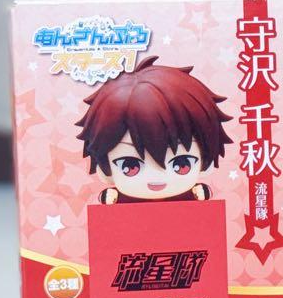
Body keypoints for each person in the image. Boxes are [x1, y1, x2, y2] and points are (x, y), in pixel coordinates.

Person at [76, 56, 233, 204]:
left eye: (182, 164)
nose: (156, 178)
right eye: (130, 167)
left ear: (206, 162)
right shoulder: (118, 198)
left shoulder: (192, 195)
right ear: (104, 168)